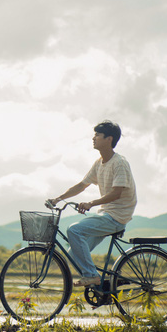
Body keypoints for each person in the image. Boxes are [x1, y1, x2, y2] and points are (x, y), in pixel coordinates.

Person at [49, 120, 137, 287]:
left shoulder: (119, 163)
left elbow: (117, 193)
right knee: (74, 255)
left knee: (74, 230)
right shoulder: (99, 163)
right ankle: (101, 287)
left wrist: (91, 203)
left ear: (109, 139)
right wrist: (58, 198)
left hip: (117, 216)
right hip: (106, 214)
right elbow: (82, 185)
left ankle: (92, 275)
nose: (93, 138)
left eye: (97, 135)